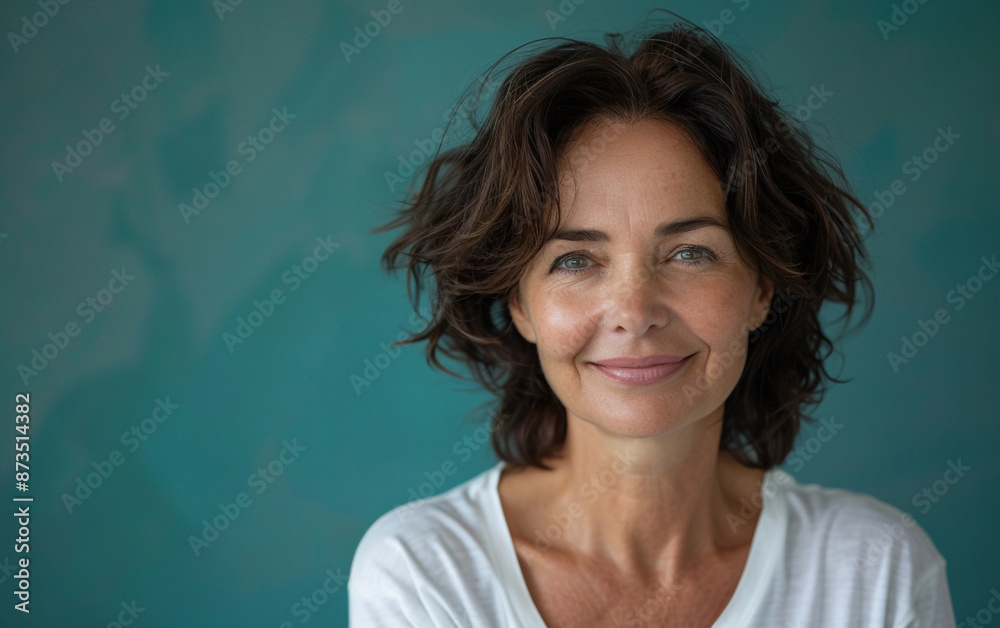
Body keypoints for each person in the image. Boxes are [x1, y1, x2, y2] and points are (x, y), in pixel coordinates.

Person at [349, 12, 956, 627]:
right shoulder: (423, 573)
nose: (635, 313)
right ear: (520, 305)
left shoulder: (878, 572)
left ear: (762, 287)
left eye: (690, 253)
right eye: (576, 259)